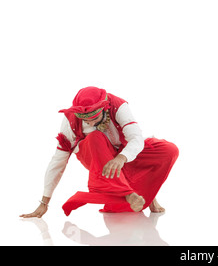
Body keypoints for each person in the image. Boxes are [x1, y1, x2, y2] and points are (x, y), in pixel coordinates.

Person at [21, 86, 179, 218]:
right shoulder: (70, 123)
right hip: (96, 157)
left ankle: (149, 196)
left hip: (122, 154)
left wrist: (122, 157)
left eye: (93, 119)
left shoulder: (118, 106)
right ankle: (128, 194)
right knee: (95, 136)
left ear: (104, 109)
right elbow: (58, 162)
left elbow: (136, 138)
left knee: (168, 150)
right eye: (85, 120)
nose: (89, 122)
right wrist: (44, 202)